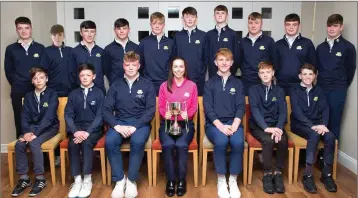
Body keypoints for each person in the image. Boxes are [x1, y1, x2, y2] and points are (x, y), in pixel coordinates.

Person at [104, 51, 156, 198]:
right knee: (110, 141)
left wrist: (135, 126)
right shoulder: (115, 85)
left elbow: (150, 110)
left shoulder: (147, 85)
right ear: (123, 66)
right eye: (128, 65)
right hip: (119, 122)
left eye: (134, 65)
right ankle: (120, 180)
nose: (131, 68)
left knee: (137, 141)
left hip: (140, 124)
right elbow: (106, 110)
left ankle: (132, 180)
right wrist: (117, 126)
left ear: (139, 66)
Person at [11, 67, 59, 197]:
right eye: (35, 78)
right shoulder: (28, 96)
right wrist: (26, 132)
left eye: (41, 77)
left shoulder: (52, 94)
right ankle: (24, 179)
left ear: (46, 79)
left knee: (34, 143)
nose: (38, 80)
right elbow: (24, 116)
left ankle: (40, 178)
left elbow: (49, 118)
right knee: (19, 144)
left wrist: (34, 134)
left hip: (49, 127)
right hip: (31, 129)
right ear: (32, 81)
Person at [203, 48, 245, 198]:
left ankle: (233, 179)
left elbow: (241, 106)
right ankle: (221, 179)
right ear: (215, 62)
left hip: (234, 123)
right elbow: (208, 108)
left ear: (232, 63)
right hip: (214, 124)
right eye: (221, 60)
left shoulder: (238, 83)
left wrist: (234, 125)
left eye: (227, 60)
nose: (224, 63)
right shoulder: (209, 84)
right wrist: (220, 126)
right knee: (220, 141)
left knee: (238, 142)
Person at [290, 64, 337, 193]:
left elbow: (325, 109)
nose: (308, 77)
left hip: (318, 124)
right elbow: (297, 112)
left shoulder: (319, 90)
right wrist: (312, 126)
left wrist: (323, 125)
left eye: (310, 74)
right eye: (304, 74)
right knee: (314, 135)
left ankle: (326, 174)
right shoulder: (294, 90)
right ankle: (308, 175)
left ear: (315, 76)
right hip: (299, 124)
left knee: (331, 136)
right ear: (300, 76)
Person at [158, 57, 198, 197]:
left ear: (185, 68)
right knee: (168, 144)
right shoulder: (164, 86)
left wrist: (186, 114)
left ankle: (181, 180)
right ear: (171, 69)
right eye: (175, 66)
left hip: (186, 125)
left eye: (181, 66)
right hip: (167, 124)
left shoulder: (192, 85)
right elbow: (161, 107)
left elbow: (194, 107)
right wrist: (165, 114)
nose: (178, 69)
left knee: (181, 145)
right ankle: (170, 180)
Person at [65, 63, 104, 198]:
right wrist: (75, 131)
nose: (85, 78)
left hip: (93, 130)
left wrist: (87, 132)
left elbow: (100, 116)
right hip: (76, 129)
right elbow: (68, 115)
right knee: (72, 143)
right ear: (79, 77)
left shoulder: (99, 93)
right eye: (82, 75)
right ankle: (77, 180)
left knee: (87, 142)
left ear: (94, 76)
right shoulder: (73, 94)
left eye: (88, 75)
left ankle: (87, 179)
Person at [248, 61, 288, 194]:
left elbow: (283, 112)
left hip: (276, 125)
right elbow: (254, 110)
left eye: (268, 72)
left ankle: (277, 173)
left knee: (282, 140)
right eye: (262, 72)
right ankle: (267, 174)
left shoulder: (279, 91)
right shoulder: (253, 90)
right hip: (259, 126)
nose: (265, 75)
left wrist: (279, 128)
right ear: (259, 75)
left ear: (273, 73)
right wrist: (266, 128)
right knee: (269, 140)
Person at [316, 14, 356, 139]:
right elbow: (316, 68)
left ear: (341, 27)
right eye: (329, 26)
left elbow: (350, 70)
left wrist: (340, 85)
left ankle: (329, 157)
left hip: (337, 91)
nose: (332, 29)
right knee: (317, 120)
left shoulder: (348, 47)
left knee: (334, 122)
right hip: (320, 88)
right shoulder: (320, 47)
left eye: (335, 26)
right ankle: (315, 155)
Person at [5, 16, 45, 139]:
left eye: (26, 28)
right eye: (20, 28)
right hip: (18, 90)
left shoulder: (40, 48)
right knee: (20, 119)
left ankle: (42, 154)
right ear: (16, 30)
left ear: (31, 29)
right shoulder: (11, 49)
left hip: (37, 89)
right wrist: (17, 82)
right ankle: (22, 151)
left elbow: (43, 70)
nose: (24, 31)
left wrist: (38, 84)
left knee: (39, 118)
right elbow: (8, 71)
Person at [40, 24, 73, 166]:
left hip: (70, 92)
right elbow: (43, 72)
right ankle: (57, 155)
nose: (57, 37)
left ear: (63, 35)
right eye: (54, 35)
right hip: (53, 93)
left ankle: (72, 153)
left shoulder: (70, 51)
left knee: (70, 123)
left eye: (60, 34)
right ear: (51, 36)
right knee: (55, 124)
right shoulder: (46, 52)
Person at [275, 13, 316, 95]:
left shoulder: (307, 43)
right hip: (281, 85)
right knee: (282, 108)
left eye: (294, 24)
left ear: (298, 25)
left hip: (301, 85)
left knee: (299, 108)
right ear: (284, 25)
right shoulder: (277, 44)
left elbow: (313, 65)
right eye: (288, 24)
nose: (291, 27)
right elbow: (274, 64)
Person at [238, 12, 276, 95]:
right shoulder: (242, 42)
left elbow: (274, 62)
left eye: (256, 23)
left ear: (261, 24)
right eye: (251, 23)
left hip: (264, 82)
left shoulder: (269, 41)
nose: (253, 25)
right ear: (248, 24)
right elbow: (239, 61)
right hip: (246, 82)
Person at [172, 7, 206, 96]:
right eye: (187, 16)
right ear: (182, 19)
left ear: (196, 18)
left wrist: (201, 72)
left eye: (192, 16)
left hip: (199, 78)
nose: (190, 19)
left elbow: (206, 57)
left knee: (198, 105)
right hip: (181, 77)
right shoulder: (177, 36)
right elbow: (174, 57)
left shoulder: (203, 35)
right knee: (182, 103)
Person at [138, 12, 173, 95]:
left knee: (166, 107)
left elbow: (173, 63)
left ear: (163, 25)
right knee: (151, 107)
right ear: (150, 24)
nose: (157, 26)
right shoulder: (144, 42)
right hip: (148, 83)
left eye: (160, 23)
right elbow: (138, 64)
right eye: (154, 23)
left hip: (166, 83)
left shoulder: (171, 43)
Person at [69, 20, 105, 93]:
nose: (89, 34)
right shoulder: (74, 52)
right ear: (81, 33)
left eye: (92, 31)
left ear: (95, 33)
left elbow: (105, 72)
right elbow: (71, 74)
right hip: (80, 91)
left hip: (99, 91)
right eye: (86, 31)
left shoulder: (101, 51)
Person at [204, 5, 239, 78]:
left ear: (227, 16)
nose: (220, 15)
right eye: (217, 13)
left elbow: (236, 56)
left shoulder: (233, 34)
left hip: (229, 74)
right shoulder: (209, 34)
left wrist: (232, 71)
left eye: (222, 13)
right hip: (212, 74)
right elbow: (206, 55)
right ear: (214, 16)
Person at [103, 18, 138, 85]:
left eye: (124, 28)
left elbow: (139, 67)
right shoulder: (108, 49)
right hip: (115, 85)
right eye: (119, 29)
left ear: (129, 29)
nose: (121, 31)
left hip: (134, 84)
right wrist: (113, 81)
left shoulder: (136, 47)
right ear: (114, 30)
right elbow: (106, 70)